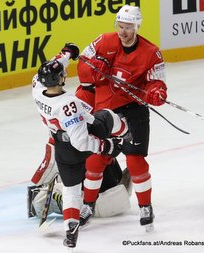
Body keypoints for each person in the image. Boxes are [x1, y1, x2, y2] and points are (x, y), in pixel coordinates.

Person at [76, 5, 168, 232]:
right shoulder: (104, 41)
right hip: (106, 109)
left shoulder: (151, 52)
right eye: (120, 26)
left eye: (128, 27)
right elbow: (83, 64)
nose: (123, 31)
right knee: (96, 160)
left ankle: (145, 206)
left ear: (137, 27)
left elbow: (156, 81)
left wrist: (156, 91)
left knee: (136, 162)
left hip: (134, 110)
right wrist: (92, 69)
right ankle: (88, 204)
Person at [32, 44, 130, 248]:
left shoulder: (38, 89)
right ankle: (126, 134)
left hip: (61, 148)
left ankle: (70, 231)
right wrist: (107, 145)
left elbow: (50, 67)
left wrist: (66, 54)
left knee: (72, 191)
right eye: (62, 73)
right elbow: (82, 141)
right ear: (59, 79)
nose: (64, 73)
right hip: (80, 142)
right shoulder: (69, 104)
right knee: (107, 116)